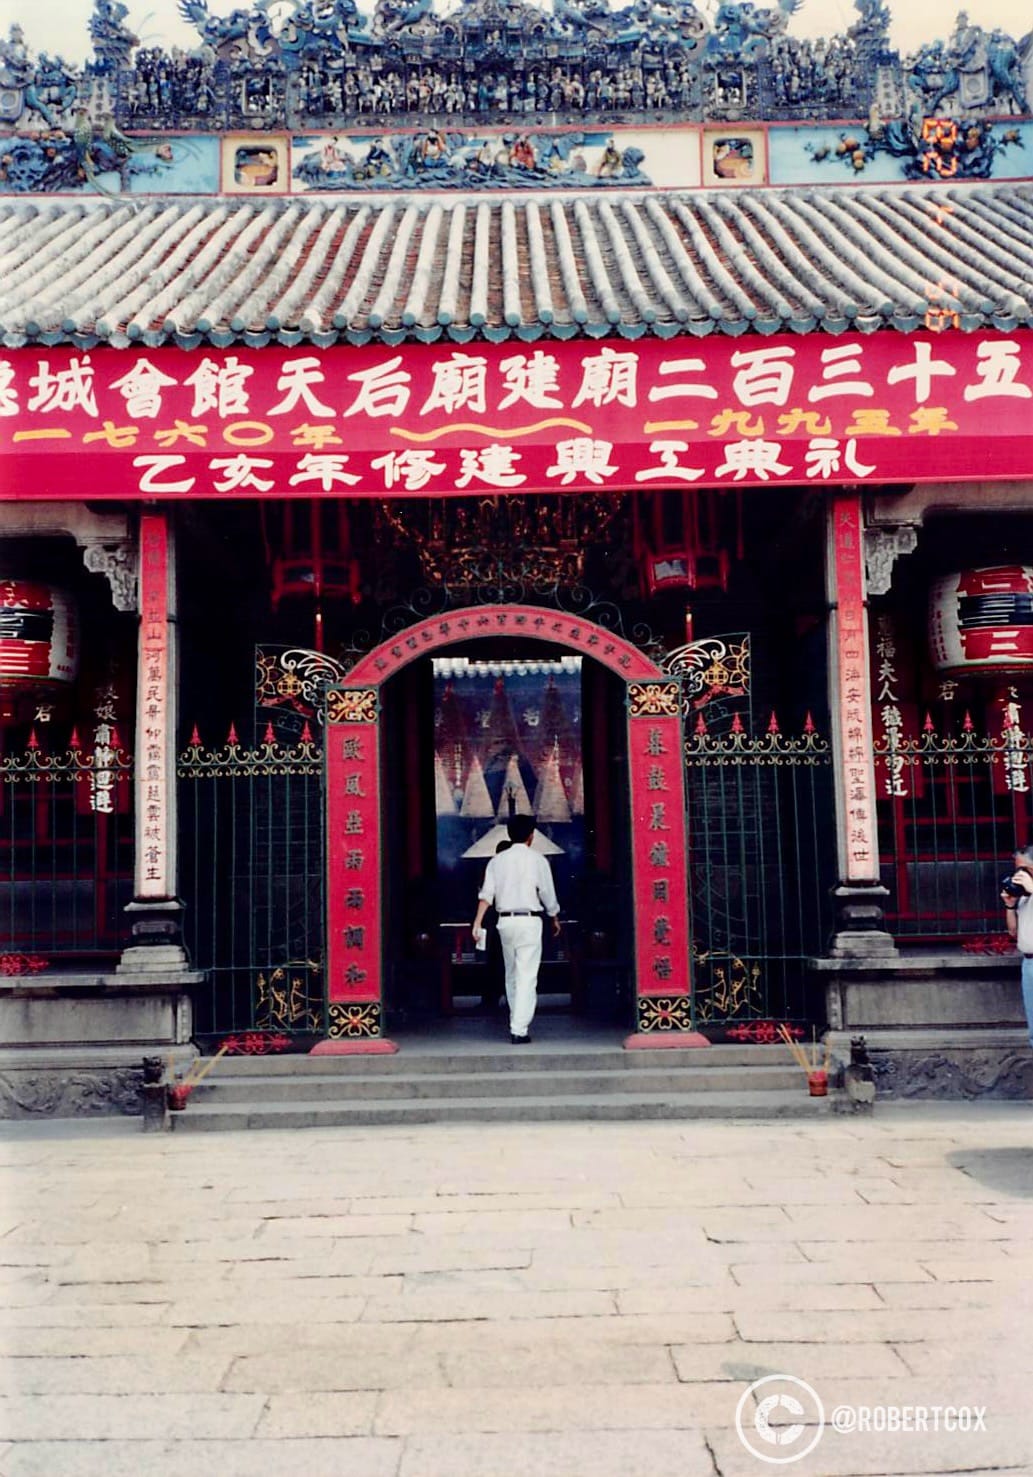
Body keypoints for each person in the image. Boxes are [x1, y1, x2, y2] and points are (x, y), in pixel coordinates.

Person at [472, 814, 561, 1044]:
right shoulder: (538, 860)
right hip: (529, 921)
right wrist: (554, 916)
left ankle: (516, 1021)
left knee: (511, 973)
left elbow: (486, 895)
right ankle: (519, 1029)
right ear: (531, 837)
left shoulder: (497, 861)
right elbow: (547, 894)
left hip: (505, 922)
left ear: (509, 835)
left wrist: (477, 922)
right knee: (527, 975)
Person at [1001, 845, 1033, 1047]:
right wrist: (1010, 905)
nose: (1019, 874)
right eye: (1017, 869)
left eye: (1024, 869)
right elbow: (1013, 931)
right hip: (1029, 963)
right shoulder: (1024, 895)